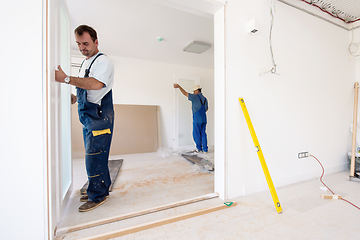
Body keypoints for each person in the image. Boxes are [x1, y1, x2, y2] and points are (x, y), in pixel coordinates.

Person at [55, 25, 114, 212]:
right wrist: (75, 97)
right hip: (89, 116)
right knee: (98, 156)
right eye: (79, 44)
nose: (82, 48)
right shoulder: (86, 62)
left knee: (93, 157)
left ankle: (97, 196)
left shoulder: (103, 61)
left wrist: (66, 79)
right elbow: (84, 88)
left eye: (86, 43)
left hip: (99, 116)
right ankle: (101, 188)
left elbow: (96, 84)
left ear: (96, 42)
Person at [174, 83, 208, 153]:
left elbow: (185, 93)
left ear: (197, 90)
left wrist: (179, 86)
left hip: (197, 118)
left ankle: (199, 149)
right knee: (203, 133)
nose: (193, 92)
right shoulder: (205, 99)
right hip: (204, 118)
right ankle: (205, 149)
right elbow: (206, 109)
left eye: (194, 91)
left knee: (196, 134)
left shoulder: (194, 97)